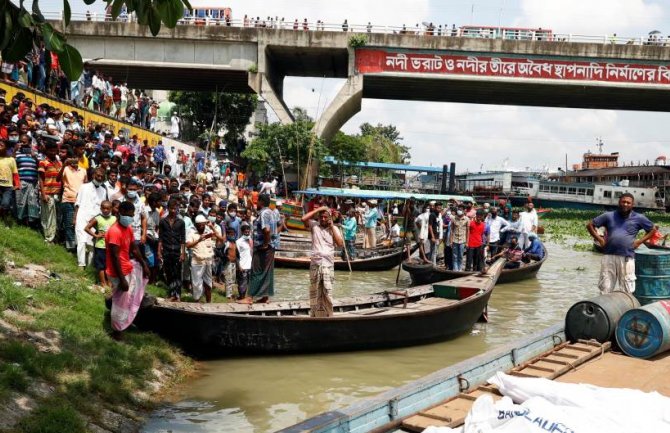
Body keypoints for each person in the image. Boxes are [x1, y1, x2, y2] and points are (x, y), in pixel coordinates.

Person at [587, 193, 656, 294]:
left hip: (627, 257)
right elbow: (590, 225)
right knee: (605, 287)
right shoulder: (608, 215)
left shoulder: (639, 218)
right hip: (609, 256)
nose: (625, 204)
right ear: (619, 203)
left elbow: (652, 230)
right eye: (623, 202)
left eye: (628, 203)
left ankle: (625, 308)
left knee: (627, 289)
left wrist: (639, 242)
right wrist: (600, 239)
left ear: (632, 205)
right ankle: (605, 308)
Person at [106, 201, 149, 340]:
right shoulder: (114, 231)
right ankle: (117, 331)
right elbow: (115, 257)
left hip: (127, 268)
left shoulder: (128, 228)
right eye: (128, 215)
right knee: (120, 302)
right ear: (119, 213)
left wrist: (144, 264)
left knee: (126, 299)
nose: (130, 218)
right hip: (117, 271)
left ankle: (123, 322)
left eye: (132, 215)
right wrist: (122, 279)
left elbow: (134, 248)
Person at [302, 205, 344, 317]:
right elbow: (303, 219)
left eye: (325, 217)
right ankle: (315, 315)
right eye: (321, 217)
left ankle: (329, 315)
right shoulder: (314, 225)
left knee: (327, 292)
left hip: (328, 265)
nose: (323, 219)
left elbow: (340, 244)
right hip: (316, 264)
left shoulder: (334, 229)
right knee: (315, 292)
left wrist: (332, 226)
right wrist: (317, 210)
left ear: (329, 218)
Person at [245, 194, 278, 304]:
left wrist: (265, 244)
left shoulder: (264, 213)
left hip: (263, 247)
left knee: (256, 271)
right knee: (267, 272)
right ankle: (265, 297)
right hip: (271, 247)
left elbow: (267, 230)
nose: (256, 203)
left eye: (257, 201)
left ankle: (250, 297)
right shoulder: (271, 212)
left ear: (261, 202)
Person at [73, 167, 108, 268]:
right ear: (93, 175)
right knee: (81, 241)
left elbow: (102, 207)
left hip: (94, 220)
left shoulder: (103, 190)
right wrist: (75, 218)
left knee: (91, 243)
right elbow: (77, 204)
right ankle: (81, 264)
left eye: (102, 176)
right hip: (82, 216)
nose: (100, 178)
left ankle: (89, 266)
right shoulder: (84, 187)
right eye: (98, 175)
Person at [186, 214, 222, 303]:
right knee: (196, 283)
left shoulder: (208, 230)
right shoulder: (191, 231)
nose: (202, 226)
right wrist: (199, 240)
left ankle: (209, 302)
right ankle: (196, 302)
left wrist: (212, 227)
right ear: (196, 225)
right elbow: (188, 245)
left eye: (204, 224)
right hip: (197, 260)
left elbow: (220, 239)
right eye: (200, 225)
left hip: (208, 260)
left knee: (208, 282)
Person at [158, 199, 186, 301]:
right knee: (168, 272)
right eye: (171, 208)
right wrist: (158, 251)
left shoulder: (181, 222)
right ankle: (171, 293)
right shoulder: (163, 221)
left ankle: (177, 295)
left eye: (175, 208)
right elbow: (160, 237)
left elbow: (183, 239)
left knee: (177, 272)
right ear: (168, 208)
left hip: (177, 250)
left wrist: (183, 253)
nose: (173, 210)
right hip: (166, 250)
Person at [85, 200, 116, 287]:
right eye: (103, 208)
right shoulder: (97, 218)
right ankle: (103, 283)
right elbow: (87, 228)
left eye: (108, 208)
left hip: (111, 246)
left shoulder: (114, 219)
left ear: (111, 209)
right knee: (101, 265)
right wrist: (95, 235)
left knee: (110, 265)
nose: (105, 210)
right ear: (101, 208)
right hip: (100, 245)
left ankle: (109, 282)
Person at [0, 139, 19, 220]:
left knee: (6, 203)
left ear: (6, 148)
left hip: (8, 186)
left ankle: (4, 216)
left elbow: (15, 173)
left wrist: (17, 184)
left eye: (1, 145)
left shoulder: (11, 159)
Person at [235, 223, 253, 300]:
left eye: (248, 232)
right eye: (245, 232)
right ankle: (241, 298)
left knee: (250, 284)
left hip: (251, 266)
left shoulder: (251, 240)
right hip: (243, 266)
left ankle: (248, 298)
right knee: (242, 284)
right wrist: (239, 266)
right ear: (242, 232)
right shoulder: (238, 241)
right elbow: (236, 255)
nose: (247, 233)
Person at [222, 226, 238, 299]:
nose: (232, 235)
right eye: (230, 234)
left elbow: (237, 253)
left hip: (234, 263)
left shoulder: (235, 242)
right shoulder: (226, 243)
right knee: (228, 279)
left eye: (233, 233)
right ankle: (228, 295)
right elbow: (221, 252)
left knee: (233, 279)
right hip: (227, 263)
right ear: (228, 234)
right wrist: (226, 257)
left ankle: (231, 293)